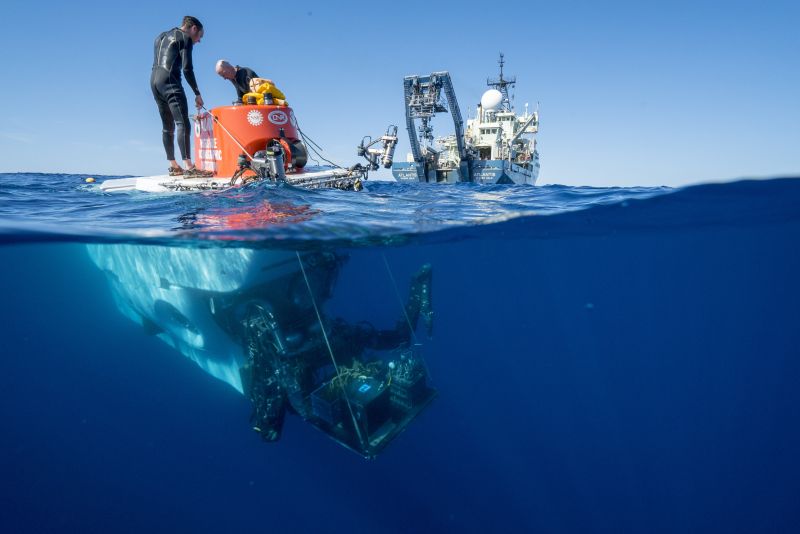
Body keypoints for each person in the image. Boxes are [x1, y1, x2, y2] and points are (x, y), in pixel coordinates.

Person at [151, 16, 211, 177]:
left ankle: (174, 165)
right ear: (193, 29)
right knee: (183, 122)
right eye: (199, 36)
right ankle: (189, 167)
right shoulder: (185, 38)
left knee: (167, 126)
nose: (198, 41)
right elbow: (187, 69)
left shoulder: (161, 36)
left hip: (154, 82)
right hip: (171, 82)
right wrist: (197, 93)